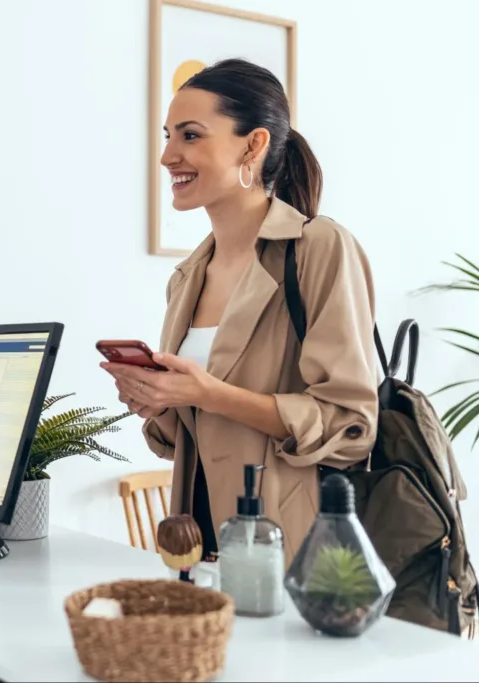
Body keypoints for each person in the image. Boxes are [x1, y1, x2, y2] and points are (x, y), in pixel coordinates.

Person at [101, 58, 379, 567]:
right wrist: (159, 401)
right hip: (200, 544)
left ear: (253, 145)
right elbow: (182, 436)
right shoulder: (187, 277)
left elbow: (349, 424)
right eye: (167, 136)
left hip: (294, 546)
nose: (167, 155)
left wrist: (209, 393)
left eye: (190, 135)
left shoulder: (319, 247)